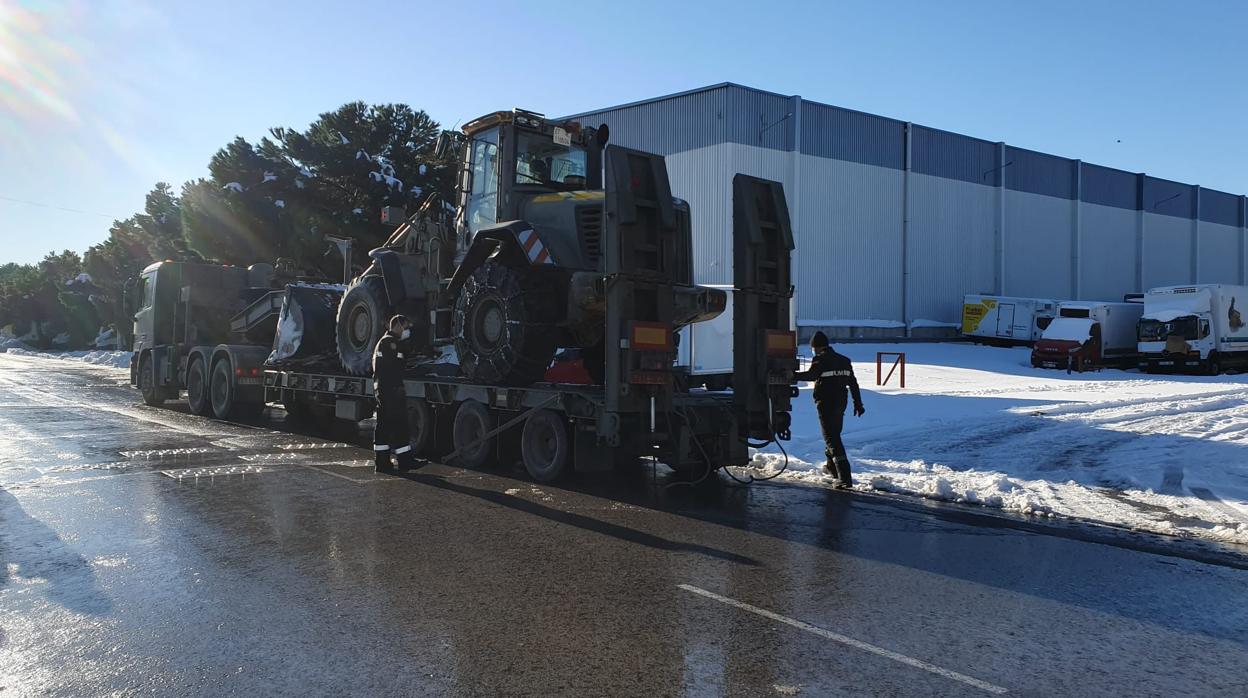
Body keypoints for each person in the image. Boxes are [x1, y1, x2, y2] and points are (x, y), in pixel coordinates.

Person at [795, 331, 865, 489]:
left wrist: (792, 376)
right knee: (834, 434)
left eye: (813, 348)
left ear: (816, 347)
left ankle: (845, 477)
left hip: (826, 403)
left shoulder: (820, 359)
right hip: (841, 403)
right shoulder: (844, 360)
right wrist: (858, 404)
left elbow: (811, 376)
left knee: (831, 438)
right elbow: (853, 383)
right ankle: (831, 467)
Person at [373, 314, 417, 473]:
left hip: (386, 389)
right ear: (398, 325)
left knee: (385, 426)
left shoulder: (387, 342)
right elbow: (395, 366)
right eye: (406, 327)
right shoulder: (389, 343)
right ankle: (404, 461)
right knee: (399, 425)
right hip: (390, 390)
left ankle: (383, 462)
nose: (407, 331)